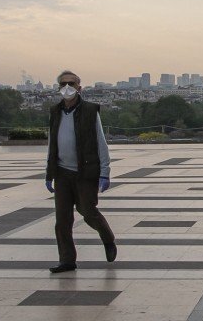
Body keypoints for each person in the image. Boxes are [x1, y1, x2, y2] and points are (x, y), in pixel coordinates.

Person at [45, 69, 116, 273]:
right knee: (62, 220)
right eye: (63, 84)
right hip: (62, 172)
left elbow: (100, 142)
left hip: (85, 172)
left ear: (79, 88)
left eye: (71, 84)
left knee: (88, 211)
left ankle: (107, 238)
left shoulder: (90, 111)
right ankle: (67, 259)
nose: (67, 88)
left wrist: (105, 171)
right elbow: (52, 143)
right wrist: (49, 172)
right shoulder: (55, 112)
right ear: (59, 88)